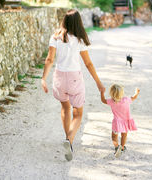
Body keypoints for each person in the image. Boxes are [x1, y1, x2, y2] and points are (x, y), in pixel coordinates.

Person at [41, 9, 105, 161]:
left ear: (65, 21)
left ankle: (67, 138)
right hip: (74, 78)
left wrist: (43, 78)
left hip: (59, 77)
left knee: (65, 108)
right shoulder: (80, 39)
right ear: (78, 22)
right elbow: (88, 63)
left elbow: (49, 59)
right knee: (78, 113)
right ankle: (69, 140)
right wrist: (99, 83)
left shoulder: (56, 37)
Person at [101, 84, 140, 158]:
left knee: (114, 137)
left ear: (111, 94)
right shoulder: (126, 100)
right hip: (125, 122)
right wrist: (136, 92)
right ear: (122, 93)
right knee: (124, 135)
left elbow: (103, 100)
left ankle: (116, 146)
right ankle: (122, 147)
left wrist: (102, 93)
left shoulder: (111, 101)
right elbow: (134, 97)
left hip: (117, 123)